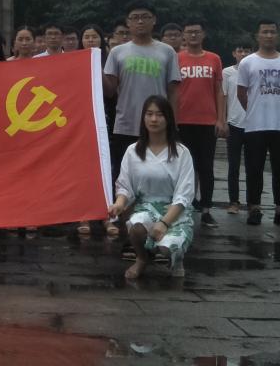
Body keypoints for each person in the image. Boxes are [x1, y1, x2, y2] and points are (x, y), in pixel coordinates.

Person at [109, 95, 194, 279]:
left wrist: (164, 223)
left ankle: (177, 257)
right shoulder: (133, 151)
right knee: (136, 227)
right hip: (146, 207)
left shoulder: (182, 153)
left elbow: (184, 194)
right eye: (149, 114)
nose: (154, 119)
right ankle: (141, 258)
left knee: (165, 249)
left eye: (159, 115)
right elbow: (125, 186)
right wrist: (119, 204)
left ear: (168, 119)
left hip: (174, 210)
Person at [102, 1, 180, 184]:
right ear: (128, 22)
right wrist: (95, 69)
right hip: (126, 124)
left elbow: (173, 92)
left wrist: (173, 123)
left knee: (157, 174)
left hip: (157, 124)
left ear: (154, 20)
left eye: (145, 17)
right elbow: (110, 91)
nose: (140, 21)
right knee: (123, 176)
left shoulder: (167, 51)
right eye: (135, 18)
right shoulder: (117, 52)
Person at [236, 20, 280, 227]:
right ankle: (254, 209)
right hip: (255, 125)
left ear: (277, 35)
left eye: (272, 32)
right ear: (257, 36)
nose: (269, 35)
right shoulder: (248, 62)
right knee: (254, 169)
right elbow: (241, 93)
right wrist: (255, 110)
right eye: (264, 32)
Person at [176, 19, 226, 228]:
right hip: (182, 121)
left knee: (206, 167)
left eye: (197, 32)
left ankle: (206, 209)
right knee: (183, 168)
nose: (193, 35)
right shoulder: (177, 58)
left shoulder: (214, 59)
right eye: (189, 32)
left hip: (207, 121)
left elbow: (219, 91)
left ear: (203, 34)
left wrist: (221, 119)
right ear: (184, 35)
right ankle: (182, 207)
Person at [78, 24, 119, 237]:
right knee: (84, 168)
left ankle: (107, 215)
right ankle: (84, 215)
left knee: (105, 167)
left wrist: (97, 67)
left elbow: (111, 92)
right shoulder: (73, 61)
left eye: (94, 37)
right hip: (80, 123)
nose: (90, 40)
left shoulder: (109, 61)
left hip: (103, 122)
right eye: (87, 37)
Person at [222, 41, 252, 214]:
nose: (243, 54)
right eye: (240, 51)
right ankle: (234, 202)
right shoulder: (227, 72)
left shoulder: (256, 71)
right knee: (233, 166)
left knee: (252, 166)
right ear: (234, 53)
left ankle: (252, 202)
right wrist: (223, 121)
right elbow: (223, 97)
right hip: (234, 123)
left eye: (247, 51)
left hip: (253, 125)